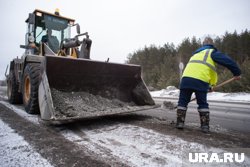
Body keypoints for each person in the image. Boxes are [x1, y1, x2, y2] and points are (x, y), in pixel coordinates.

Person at [176, 37, 241, 133]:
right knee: (202, 103)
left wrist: (210, 86)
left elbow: (206, 70)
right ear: (212, 45)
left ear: (203, 45)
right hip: (200, 81)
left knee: (182, 102)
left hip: (185, 80)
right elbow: (227, 61)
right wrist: (237, 72)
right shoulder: (211, 52)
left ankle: (180, 123)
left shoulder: (195, 55)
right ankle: (205, 126)